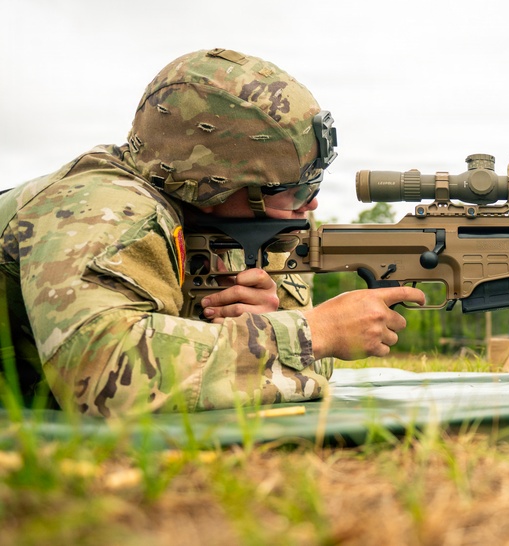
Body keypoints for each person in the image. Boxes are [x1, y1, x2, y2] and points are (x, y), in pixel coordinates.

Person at [0, 48, 425, 417]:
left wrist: (266, 327)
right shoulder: (99, 209)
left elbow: (302, 357)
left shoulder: (247, 224)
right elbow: (101, 373)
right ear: (209, 188)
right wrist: (313, 331)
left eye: (313, 186)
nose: (310, 204)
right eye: (295, 190)